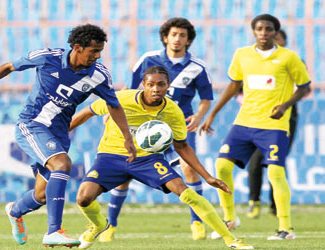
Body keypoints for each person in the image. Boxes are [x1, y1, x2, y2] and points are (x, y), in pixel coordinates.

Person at [0, 24, 137, 247]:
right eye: (93, 51)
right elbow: (8, 67)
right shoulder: (47, 58)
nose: (97, 56)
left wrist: (127, 137)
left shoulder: (99, 75)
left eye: (100, 52)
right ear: (77, 47)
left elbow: (114, 105)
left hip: (59, 134)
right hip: (31, 124)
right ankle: (54, 231)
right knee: (62, 163)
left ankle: (15, 210)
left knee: (42, 195)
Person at [69, 66, 253, 249]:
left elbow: (182, 146)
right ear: (143, 85)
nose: (155, 89)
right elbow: (86, 112)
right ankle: (99, 225)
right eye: (151, 84)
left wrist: (208, 177)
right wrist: (62, 134)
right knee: (83, 198)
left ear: (168, 85)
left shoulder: (173, 111)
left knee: (184, 190)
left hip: (148, 159)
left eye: (160, 84)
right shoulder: (122, 98)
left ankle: (230, 240)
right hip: (111, 156)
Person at [100, 17, 213, 242]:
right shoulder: (148, 60)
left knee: (188, 168)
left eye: (182, 35)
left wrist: (199, 116)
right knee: (125, 174)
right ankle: (110, 225)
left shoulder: (197, 67)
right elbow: (130, 90)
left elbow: (207, 98)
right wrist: (112, 113)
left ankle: (197, 222)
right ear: (165, 37)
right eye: (174, 34)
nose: (177, 39)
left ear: (189, 39)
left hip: (176, 125)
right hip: (143, 125)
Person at [199, 14, 311, 240]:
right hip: (244, 122)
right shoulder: (242, 55)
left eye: (268, 29)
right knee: (221, 166)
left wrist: (285, 105)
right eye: (259, 29)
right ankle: (230, 218)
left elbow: (304, 87)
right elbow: (233, 85)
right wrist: (212, 114)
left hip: (273, 125)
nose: (263, 33)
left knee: (275, 172)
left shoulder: (289, 58)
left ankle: (285, 229)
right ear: (253, 31)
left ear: (275, 33)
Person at [245, 29, 299, 219]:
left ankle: (276, 206)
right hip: (258, 118)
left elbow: (301, 88)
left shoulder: (293, 62)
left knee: (275, 162)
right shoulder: (256, 62)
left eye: (277, 38)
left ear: (284, 41)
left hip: (285, 119)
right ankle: (254, 201)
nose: (272, 41)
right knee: (256, 161)